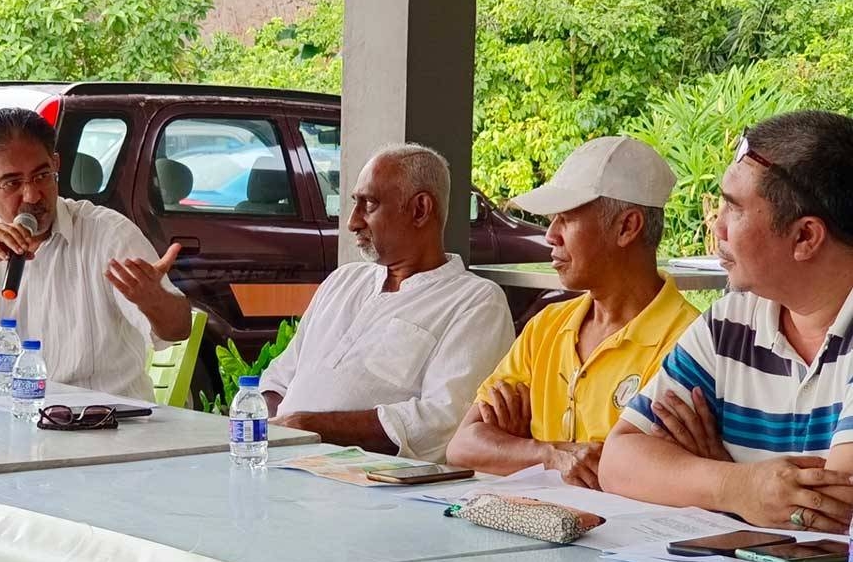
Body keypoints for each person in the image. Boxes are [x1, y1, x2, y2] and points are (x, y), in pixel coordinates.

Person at [599, 110, 853, 534]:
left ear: (805, 236)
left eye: (734, 210)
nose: (717, 227)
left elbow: (831, 511)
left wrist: (702, 476)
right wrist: (736, 485)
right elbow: (619, 460)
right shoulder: (729, 322)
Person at [446, 137, 699, 487]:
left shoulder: (688, 342)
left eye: (566, 219)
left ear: (627, 227)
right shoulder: (546, 327)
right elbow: (463, 446)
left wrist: (515, 447)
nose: (550, 235)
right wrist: (551, 454)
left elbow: (643, 473)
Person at [0, 108, 192, 400]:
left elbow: (178, 330)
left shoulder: (108, 234)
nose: (32, 196)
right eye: (12, 183)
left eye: (42, 175)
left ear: (56, 164)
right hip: (6, 429)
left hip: (103, 427)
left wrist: (154, 299)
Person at [261, 143, 515, 463]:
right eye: (355, 203)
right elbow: (278, 379)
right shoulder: (344, 281)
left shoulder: (475, 302)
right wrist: (268, 431)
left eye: (369, 204)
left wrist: (309, 428)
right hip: (283, 464)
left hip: (370, 488)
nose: (353, 222)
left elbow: (444, 422)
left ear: (420, 209)